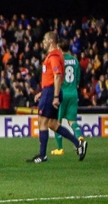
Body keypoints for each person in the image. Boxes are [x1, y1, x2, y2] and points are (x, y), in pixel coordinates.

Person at [27, 32, 87, 163]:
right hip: (50, 91)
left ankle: (42, 155)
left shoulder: (54, 55)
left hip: (51, 92)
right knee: (53, 124)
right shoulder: (58, 55)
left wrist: (54, 95)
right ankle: (78, 144)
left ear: (51, 41)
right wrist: (43, 92)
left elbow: (58, 75)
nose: (42, 42)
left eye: (44, 39)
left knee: (42, 122)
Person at [52, 39, 84, 155]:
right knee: (72, 121)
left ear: (60, 48)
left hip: (62, 93)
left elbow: (57, 77)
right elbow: (78, 80)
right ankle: (80, 139)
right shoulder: (75, 61)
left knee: (57, 122)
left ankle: (60, 148)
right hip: (73, 93)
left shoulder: (59, 60)